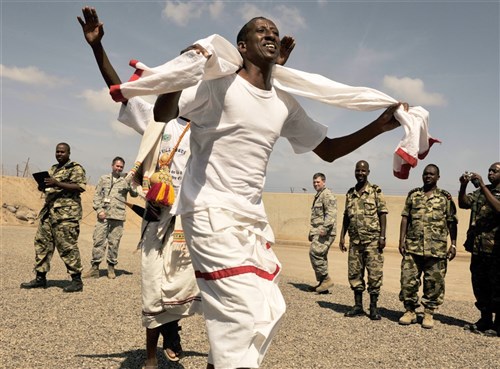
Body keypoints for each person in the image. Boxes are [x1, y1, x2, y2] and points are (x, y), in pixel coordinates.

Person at [148, 17, 407, 369]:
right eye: (260, 31)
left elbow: (327, 150)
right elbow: (164, 112)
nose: (270, 34)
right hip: (210, 214)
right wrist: (182, 71)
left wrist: (379, 126)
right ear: (242, 46)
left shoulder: (283, 103)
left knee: (266, 309)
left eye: (273, 31)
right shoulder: (216, 85)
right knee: (239, 313)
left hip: (252, 221)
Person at [78, 7, 199, 366]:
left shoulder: (207, 128)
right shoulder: (155, 118)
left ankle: (173, 330)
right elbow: (120, 89)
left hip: (188, 220)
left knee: (179, 283)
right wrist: (97, 48)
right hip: (155, 215)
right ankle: (150, 357)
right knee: (151, 283)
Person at [20, 142, 86, 293]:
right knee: (42, 244)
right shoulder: (53, 169)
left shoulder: (75, 168)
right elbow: (51, 187)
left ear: (68, 153)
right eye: (57, 152)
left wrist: (57, 182)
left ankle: (77, 281)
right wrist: (43, 186)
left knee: (67, 246)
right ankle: (40, 278)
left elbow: (80, 187)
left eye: (62, 152)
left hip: (66, 215)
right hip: (48, 213)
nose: (59, 154)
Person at [398, 164, 458, 329]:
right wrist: (401, 240)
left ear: (438, 177)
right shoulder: (413, 195)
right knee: (408, 280)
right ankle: (409, 311)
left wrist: (453, 244)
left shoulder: (445, 198)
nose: (428, 176)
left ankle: (428, 313)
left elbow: (452, 222)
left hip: (436, 248)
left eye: (432, 174)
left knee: (434, 282)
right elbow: (405, 218)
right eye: (425, 174)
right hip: (413, 246)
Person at [339, 160, 388, 320]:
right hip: (355, 242)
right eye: (358, 170)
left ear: (368, 172)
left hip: (373, 241)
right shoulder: (350, 193)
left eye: (363, 171)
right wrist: (342, 236)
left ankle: (373, 308)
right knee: (354, 274)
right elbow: (346, 216)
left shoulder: (375, 191)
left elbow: (382, 213)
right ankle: (358, 306)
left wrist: (382, 236)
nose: (360, 173)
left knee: (374, 275)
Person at [459, 162, 500, 337]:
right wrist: (463, 186)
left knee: (497, 287)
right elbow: (464, 204)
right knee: (480, 285)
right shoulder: (482, 191)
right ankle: (485, 319)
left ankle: (498, 325)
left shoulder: (487, 190)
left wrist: (483, 186)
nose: (490, 173)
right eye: (489, 170)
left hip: (496, 250)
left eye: (495, 171)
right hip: (478, 247)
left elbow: (498, 208)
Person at [83, 156, 137, 279]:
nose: (119, 168)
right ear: (112, 166)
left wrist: (131, 183)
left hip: (118, 217)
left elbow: (134, 195)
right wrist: (99, 210)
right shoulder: (104, 178)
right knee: (98, 241)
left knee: (114, 243)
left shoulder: (125, 180)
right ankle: (95, 268)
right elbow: (97, 196)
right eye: (117, 166)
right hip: (104, 216)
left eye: (121, 167)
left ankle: (111, 268)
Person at [308, 172, 337, 293]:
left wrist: (324, 229)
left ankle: (325, 279)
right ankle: (322, 284)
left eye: (318, 182)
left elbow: (331, 213)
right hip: (319, 231)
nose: (316, 184)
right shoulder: (319, 195)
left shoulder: (327, 195)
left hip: (326, 232)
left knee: (314, 253)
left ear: (324, 182)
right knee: (321, 256)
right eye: (314, 182)